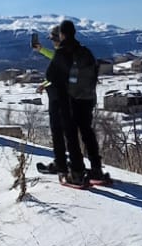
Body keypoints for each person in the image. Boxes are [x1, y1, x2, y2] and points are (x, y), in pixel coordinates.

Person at [49, 20, 106, 187]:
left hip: (70, 100)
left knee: (71, 135)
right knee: (87, 132)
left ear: (62, 34)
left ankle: (77, 173)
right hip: (87, 98)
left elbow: (50, 75)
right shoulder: (85, 51)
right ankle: (96, 169)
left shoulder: (63, 52)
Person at [30, 26, 68, 174]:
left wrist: (46, 84)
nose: (53, 43)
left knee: (57, 130)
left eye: (53, 40)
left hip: (58, 97)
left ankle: (60, 163)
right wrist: (41, 49)